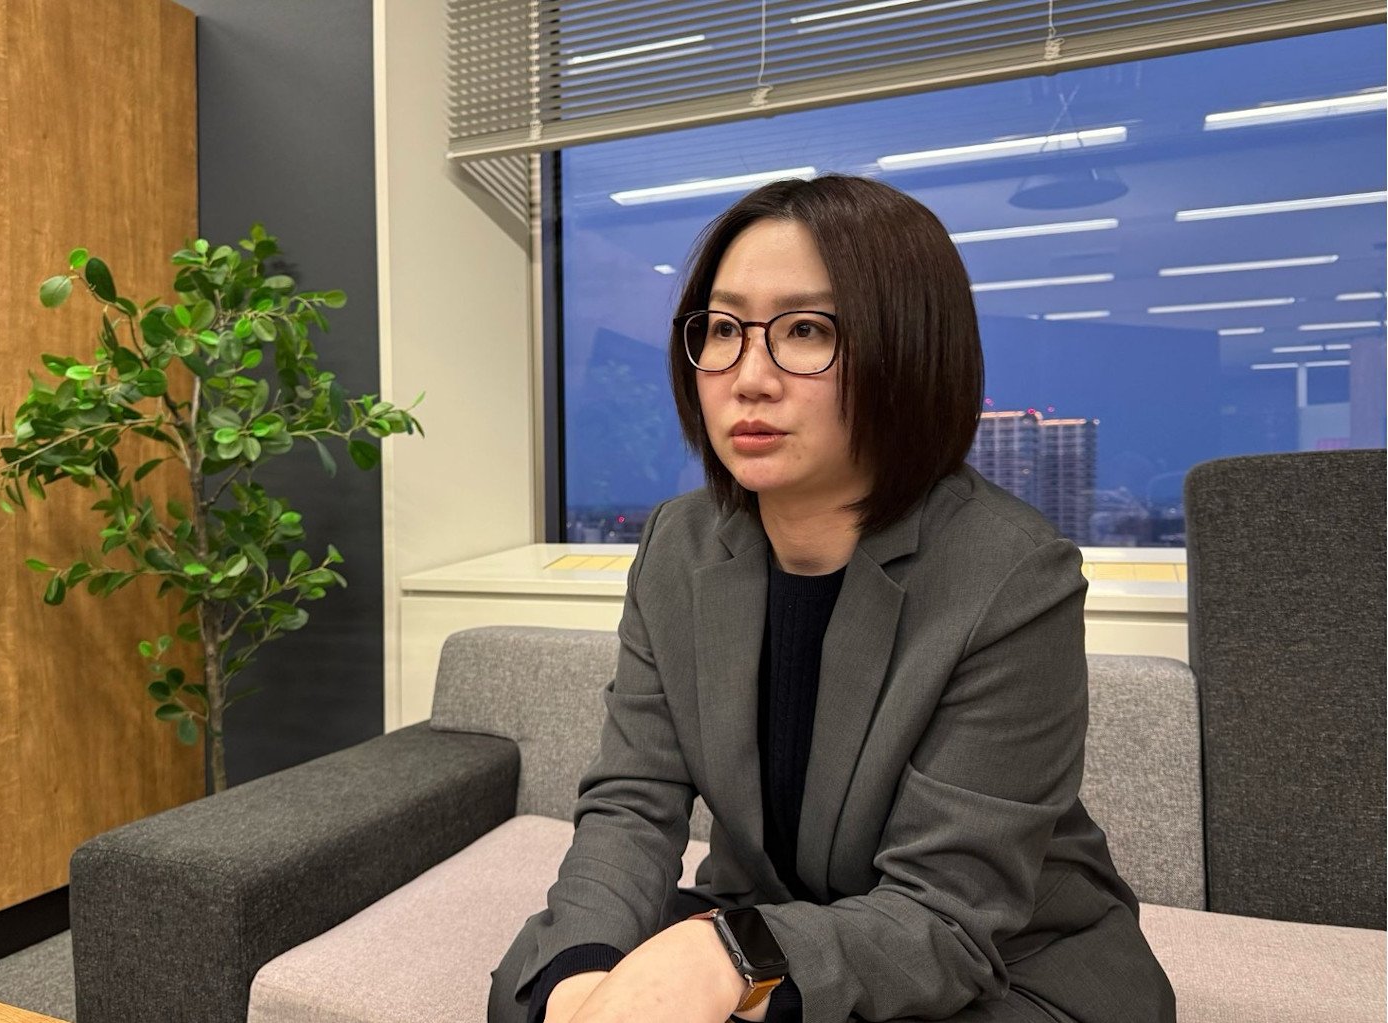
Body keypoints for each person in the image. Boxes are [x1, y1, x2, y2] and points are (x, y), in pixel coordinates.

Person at [488, 174, 1175, 1023]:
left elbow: (946, 913)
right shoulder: (679, 544)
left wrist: (723, 956)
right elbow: (631, 806)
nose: (749, 377)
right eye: (724, 329)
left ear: (907, 351)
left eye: (806, 330)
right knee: (534, 985)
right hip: (784, 920)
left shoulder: (1011, 573)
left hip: (999, 956)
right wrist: (582, 975)